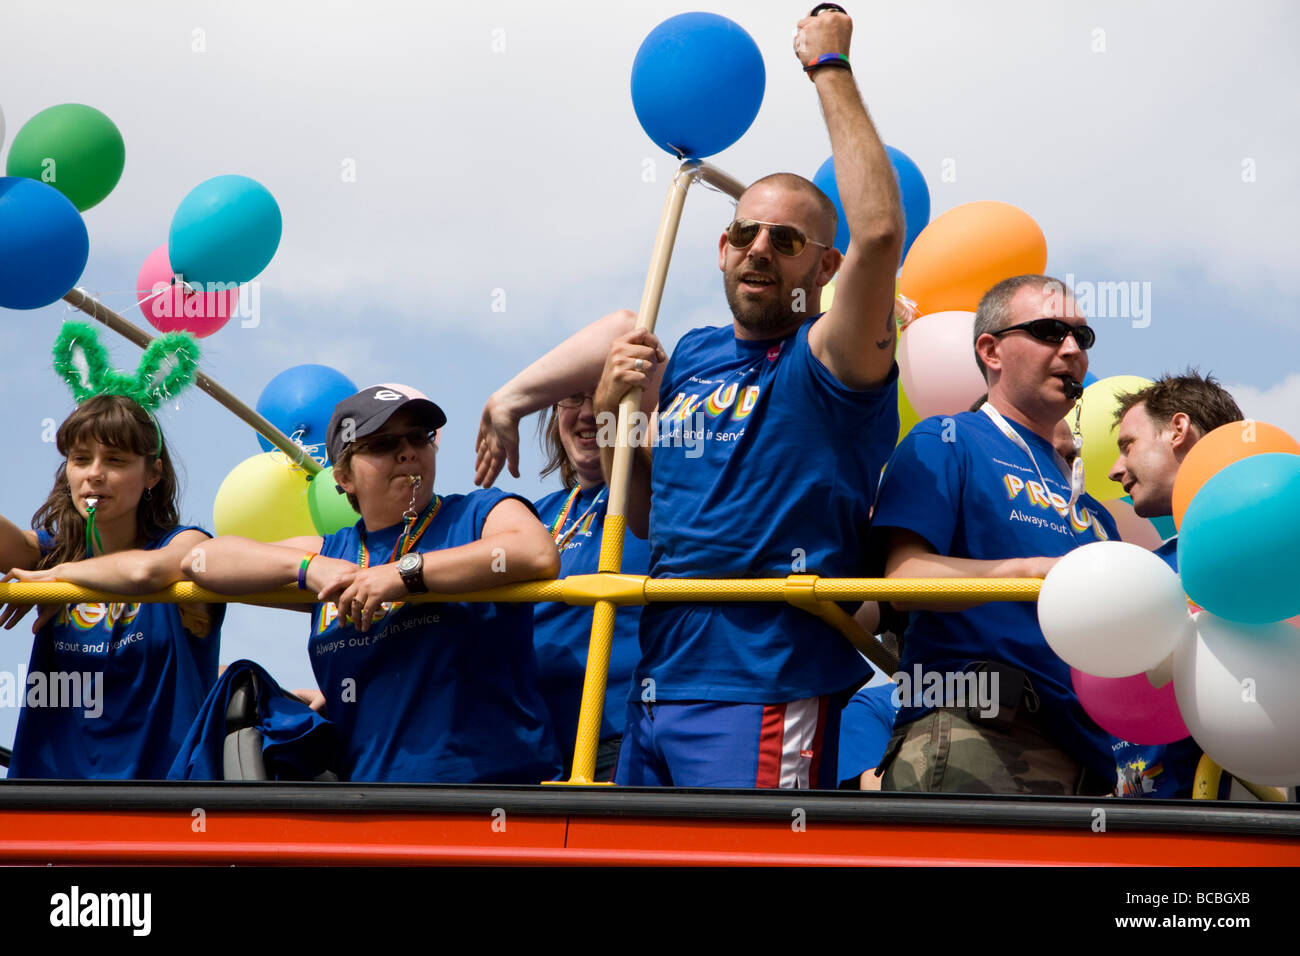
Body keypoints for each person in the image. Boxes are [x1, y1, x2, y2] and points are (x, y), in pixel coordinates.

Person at [595, 8, 903, 788]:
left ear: (824, 268)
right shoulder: (692, 352)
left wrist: (829, 69)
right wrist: (610, 416)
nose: (760, 248)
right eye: (745, 233)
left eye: (788, 241)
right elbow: (643, 513)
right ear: (723, 246)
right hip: (658, 680)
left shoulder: (826, 356)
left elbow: (878, 235)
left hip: (767, 683)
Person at [183, 384, 562, 784]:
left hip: (497, 799)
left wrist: (403, 574)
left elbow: (536, 553)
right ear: (344, 476)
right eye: (383, 444)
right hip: (368, 805)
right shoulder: (334, 551)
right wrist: (311, 570)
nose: (408, 451)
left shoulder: (478, 513)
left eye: (420, 438)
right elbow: (202, 559)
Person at [869, 274, 1120, 795]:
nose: (1072, 349)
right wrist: (1031, 571)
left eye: (1082, 336)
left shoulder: (1099, 516)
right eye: (1050, 331)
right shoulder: (950, 440)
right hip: (975, 735)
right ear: (991, 350)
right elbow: (903, 578)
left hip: (1088, 764)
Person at [0, 393, 224, 779]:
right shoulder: (54, 551)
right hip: (50, 804)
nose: (94, 474)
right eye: (80, 459)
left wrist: (62, 575)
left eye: (116, 460)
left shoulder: (188, 544)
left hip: (163, 805)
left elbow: (145, 573)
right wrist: (59, 567)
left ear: (153, 474)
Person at [478, 311, 652, 780]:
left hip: (623, 742)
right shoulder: (527, 516)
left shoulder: (662, 492)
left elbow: (626, 327)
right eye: (572, 397)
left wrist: (507, 399)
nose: (590, 410)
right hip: (525, 750)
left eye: (603, 392)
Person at [1107, 371, 1243, 798]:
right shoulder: (1151, 567)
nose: (1114, 470)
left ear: (1178, 430)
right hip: (1134, 834)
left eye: (1127, 445)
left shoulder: (1269, 544)